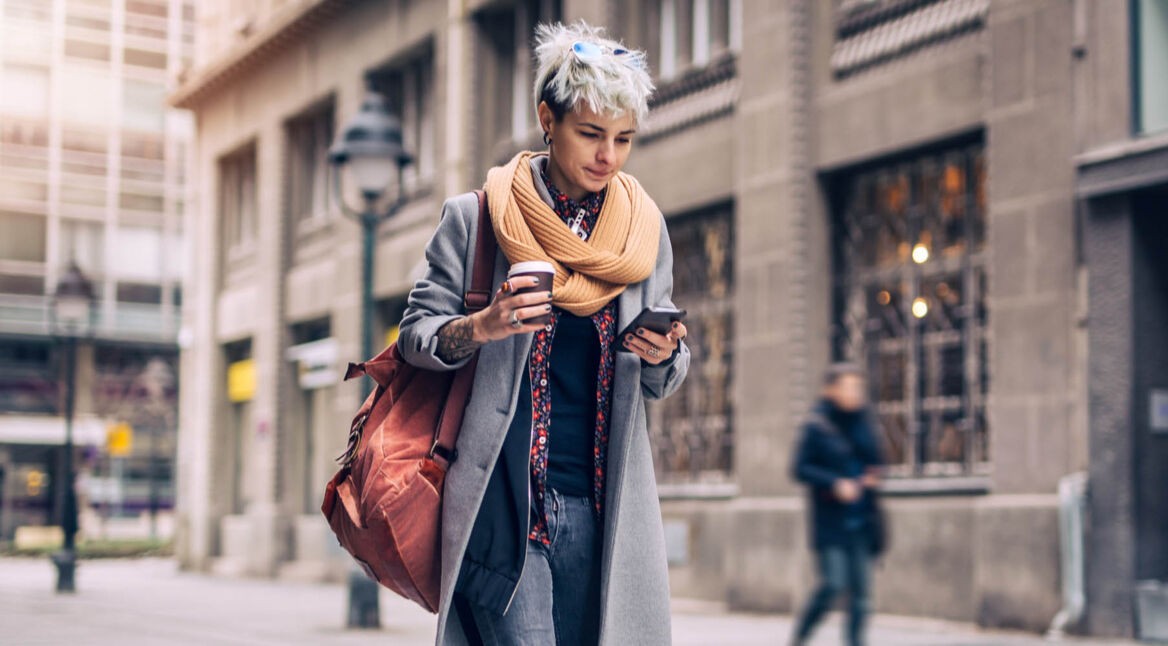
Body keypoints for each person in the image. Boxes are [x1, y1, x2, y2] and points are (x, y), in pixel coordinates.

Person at [398, 21, 690, 646]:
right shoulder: (477, 219)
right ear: (547, 120)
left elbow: (661, 379)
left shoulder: (641, 234)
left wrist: (665, 354)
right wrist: (483, 326)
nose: (608, 156)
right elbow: (415, 338)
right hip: (503, 508)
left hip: (599, 510)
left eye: (623, 139)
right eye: (591, 134)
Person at [791, 363, 886, 646]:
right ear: (830, 390)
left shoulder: (864, 423)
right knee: (833, 584)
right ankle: (801, 636)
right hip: (831, 523)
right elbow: (800, 468)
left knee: (861, 596)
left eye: (858, 388)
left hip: (862, 520)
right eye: (848, 387)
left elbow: (877, 461)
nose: (854, 393)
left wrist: (873, 476)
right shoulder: (817, 425)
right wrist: (834, 483)